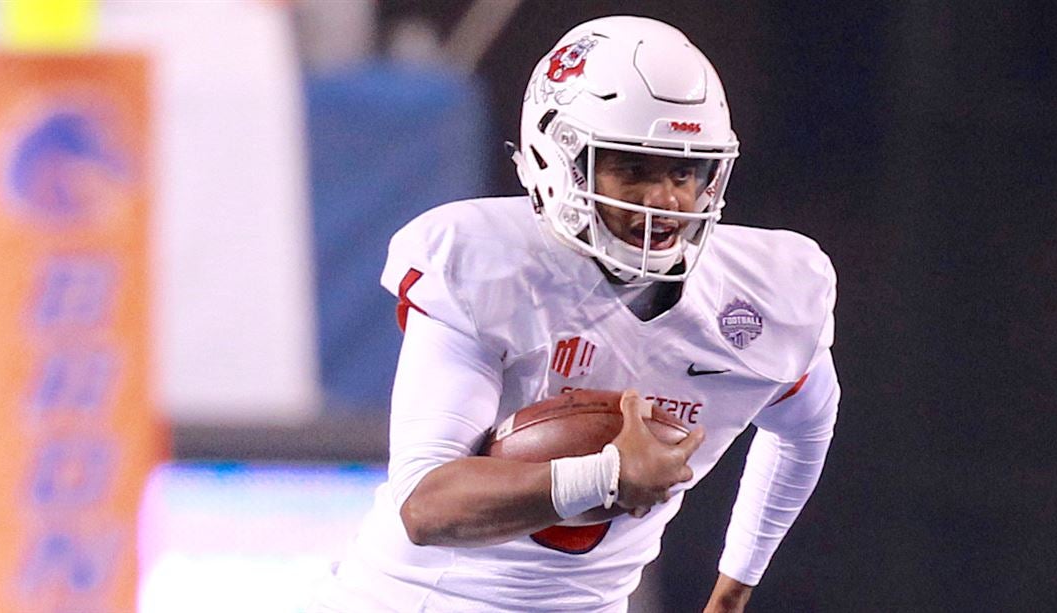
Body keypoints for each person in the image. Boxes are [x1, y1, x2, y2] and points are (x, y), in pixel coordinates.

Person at [316, 15, 839, 613]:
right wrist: (607, 475)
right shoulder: (486, 264)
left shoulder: (760, 293)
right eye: (633, 168)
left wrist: (734, 584)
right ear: (557, 159)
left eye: (682, 171)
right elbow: (428, 504)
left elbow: (806, 428)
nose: (665, 199)